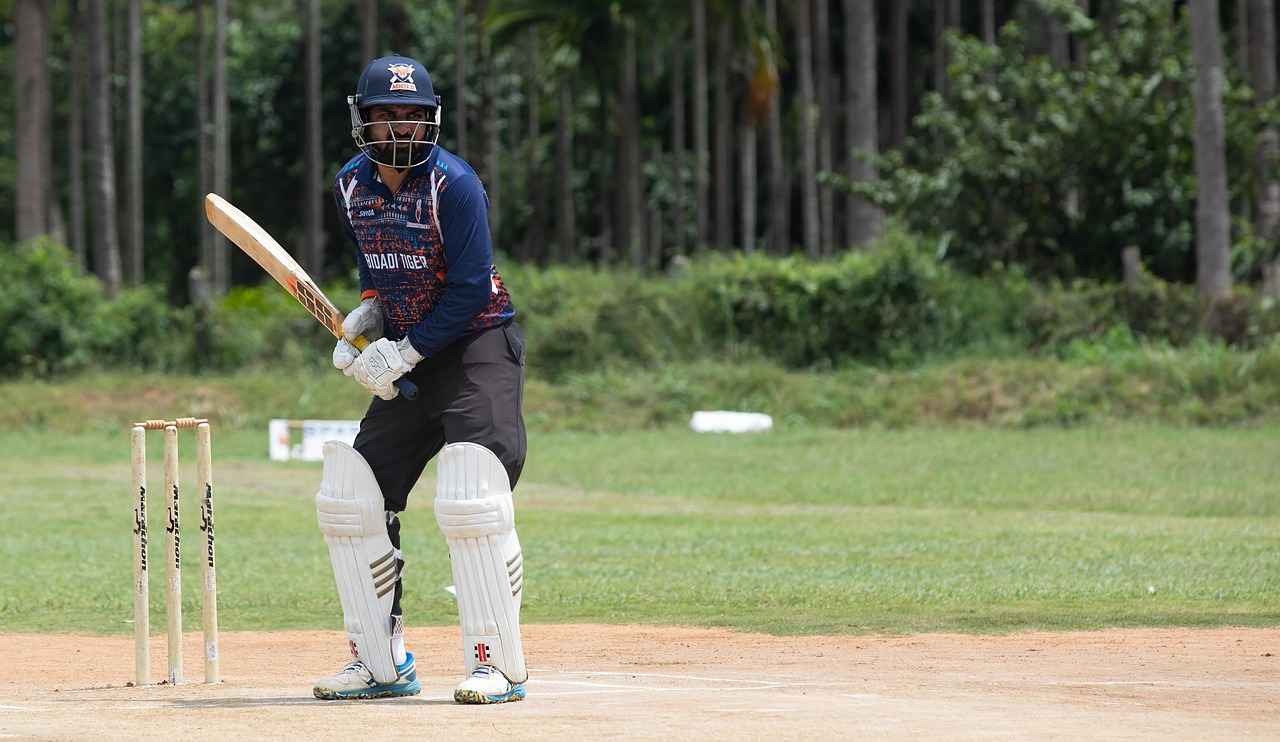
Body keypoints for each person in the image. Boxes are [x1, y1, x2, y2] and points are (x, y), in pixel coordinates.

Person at [310, 54, 528, 705]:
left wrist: (401, 355)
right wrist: (367, 320)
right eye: (386, 115)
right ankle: (379, 661)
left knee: (471, 489)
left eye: (411, 114)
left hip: (475, 346)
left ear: (430, 118)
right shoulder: (351, 186)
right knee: (352, 496)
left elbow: (466, 289)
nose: (399, 126)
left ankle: (497, 664)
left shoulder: (453, 186)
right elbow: (383, 270)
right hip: (410, 341)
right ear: (363, 122)